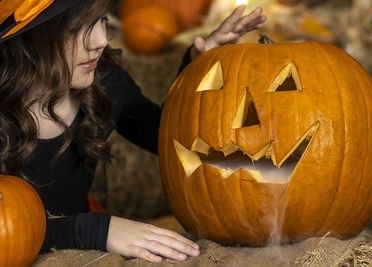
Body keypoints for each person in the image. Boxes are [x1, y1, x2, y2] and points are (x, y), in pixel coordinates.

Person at [0, 0, 266, 263]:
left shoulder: (103, 82)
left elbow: (166, 137)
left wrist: (199, 65)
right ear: (30, 35)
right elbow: (7, 233)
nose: (101, 40)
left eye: (101, 20)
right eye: (77, 27)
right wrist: (97, 230)